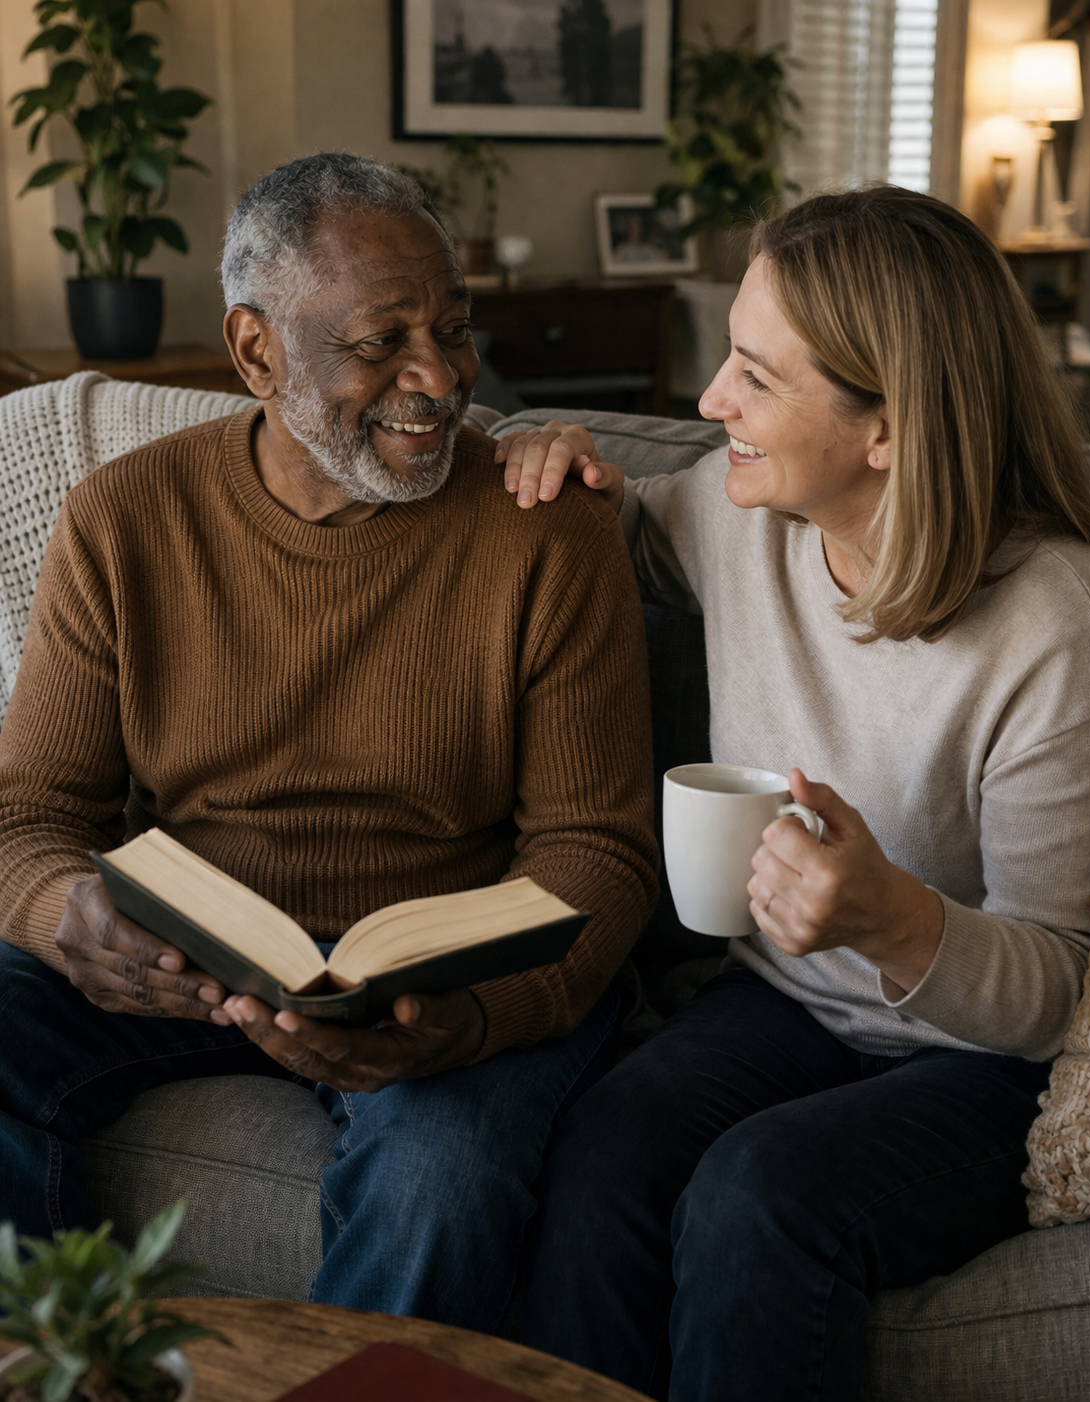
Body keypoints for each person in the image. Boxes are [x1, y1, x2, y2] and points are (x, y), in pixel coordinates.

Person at [0, 153, 658, 1326]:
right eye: (379, 342)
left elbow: (595, 850)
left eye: (453, 330)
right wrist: (62, 913)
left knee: (439, 1180)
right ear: (256, 352)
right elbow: (30, 812)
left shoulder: (546, 533)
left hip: (436, 978)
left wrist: (475, 1018)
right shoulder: (123, 518)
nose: (439, 378)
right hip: (197, 962)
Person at [495, 186, 1090, 1400]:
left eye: (752, 375)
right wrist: (543, 449)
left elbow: (1056, 988)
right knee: (606, 1146)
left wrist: (892, 917)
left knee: (758, 1197)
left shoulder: (1054, 626)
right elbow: (602, 524)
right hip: (786, 1003)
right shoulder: (744, 522)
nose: (706, 402)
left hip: (982, 1065)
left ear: (883, 427)